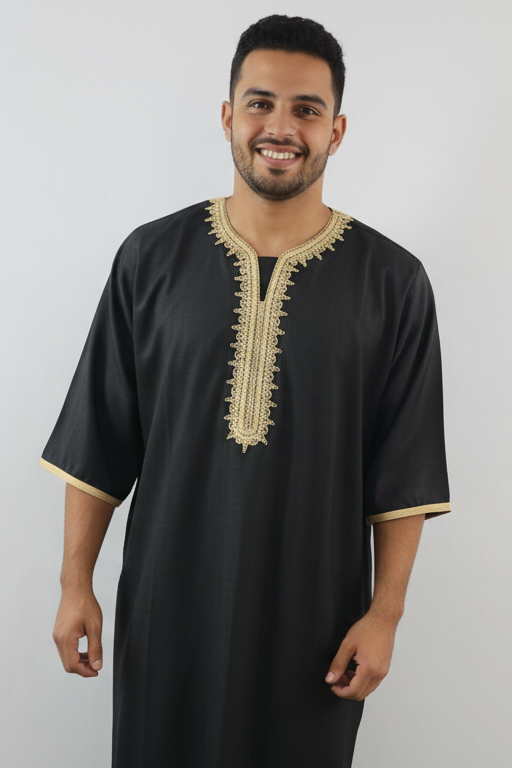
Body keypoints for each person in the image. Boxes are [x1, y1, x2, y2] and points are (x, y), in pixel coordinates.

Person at [39, 14, 451, 768]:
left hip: (315, 628)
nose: (281, 126)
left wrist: (385, 614)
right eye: (260, 103)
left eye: (306, 109)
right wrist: (75, 584)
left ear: (337, 129)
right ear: (229, 116)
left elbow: (405, 470)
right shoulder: (150, 260)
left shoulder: (392, 283)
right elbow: (100, 439)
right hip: (169, 615)